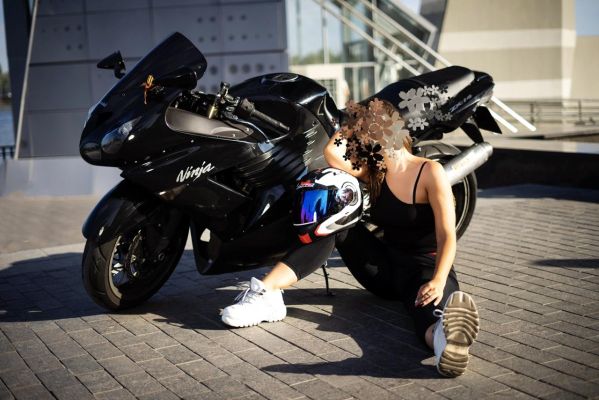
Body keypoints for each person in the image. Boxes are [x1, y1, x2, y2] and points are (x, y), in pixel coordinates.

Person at [220, 97, 479, 377]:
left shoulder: (430, 171)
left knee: (430, 313)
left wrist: (438, 280)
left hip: (425, 269)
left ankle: (446, 342)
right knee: (338, 224)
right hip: (384, 270)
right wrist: (353, 122)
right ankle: (267, 293)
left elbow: (447, 235)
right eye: (365, 132)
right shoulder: (374, 173)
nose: (368, 139)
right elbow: (332, 152)